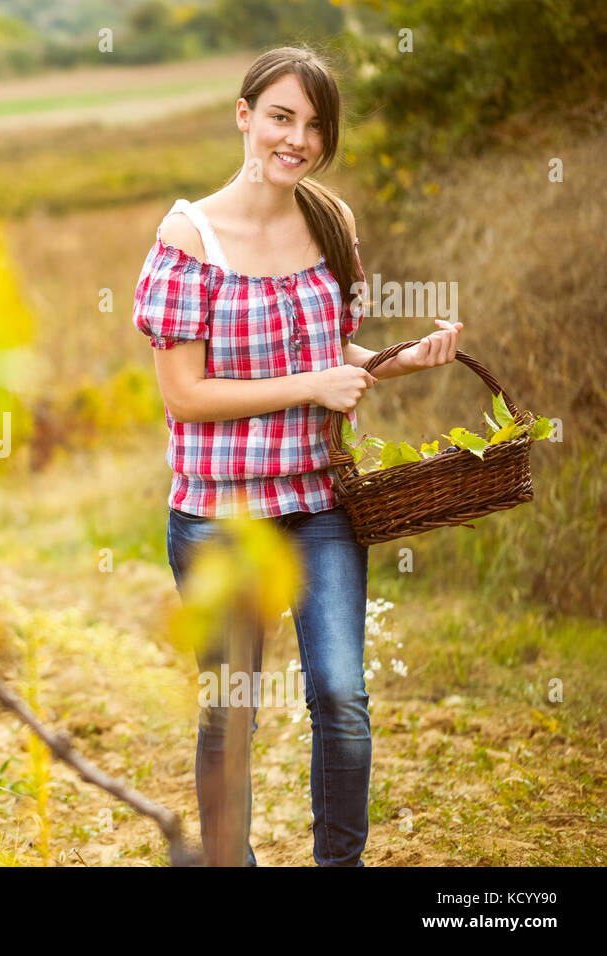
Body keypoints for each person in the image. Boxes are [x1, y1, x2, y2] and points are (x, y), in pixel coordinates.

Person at [131, 46, 463, 866]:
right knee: (231, 710)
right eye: (281, 116)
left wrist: (393, 361)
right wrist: (313, 382)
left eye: (315, 125)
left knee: (342, 696)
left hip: (318, 503)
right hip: (219, 516)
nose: (298, 139)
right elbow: (186, 395)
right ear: (244, 115)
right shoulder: (189, 236)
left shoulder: (331, 221)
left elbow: (326, 354)